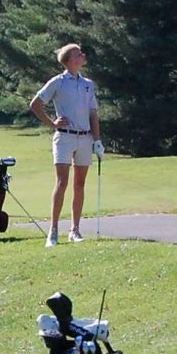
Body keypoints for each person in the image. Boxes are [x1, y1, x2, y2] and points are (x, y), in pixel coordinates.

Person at [29, 43, 104, 246]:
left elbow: (93, 113)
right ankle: (53, 231)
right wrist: (52, 123)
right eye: (79, 54)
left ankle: (75, 230)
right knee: (62, 183)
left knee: (79, 184)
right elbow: (35, 104)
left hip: (85, 137)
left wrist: (97, 141)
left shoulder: (88, 84)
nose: (83, 56)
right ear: (71, 61)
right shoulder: (58, 82)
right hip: (64, 136)